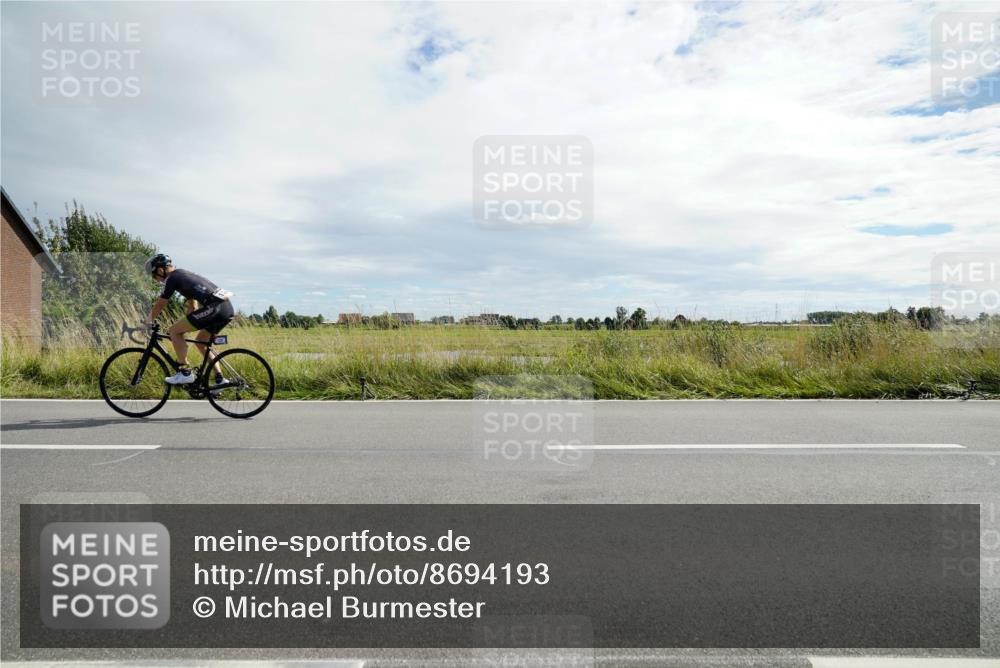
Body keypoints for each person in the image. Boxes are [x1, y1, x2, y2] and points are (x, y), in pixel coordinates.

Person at [143, 253, 234, 385]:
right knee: (201, 342)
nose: (155, 279)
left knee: (173, 331)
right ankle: (220, 380)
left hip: (215, 308)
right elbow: (193, 306)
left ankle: (185, 373)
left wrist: (147, 322)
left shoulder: (172, 278)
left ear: (160, 270)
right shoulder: (183, 275)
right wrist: (183, 328)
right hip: (226, 308)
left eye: (154, 275)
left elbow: (160, 304)